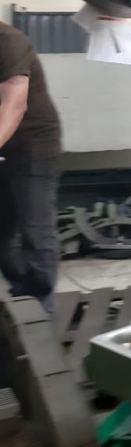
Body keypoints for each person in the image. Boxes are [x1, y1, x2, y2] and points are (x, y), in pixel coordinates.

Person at [0, 21, 62, 311]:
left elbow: (13, 105)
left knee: (36, 232)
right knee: (2, 237)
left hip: (32, 144)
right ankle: (23, 297)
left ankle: (40, 312)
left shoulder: (8, 41)